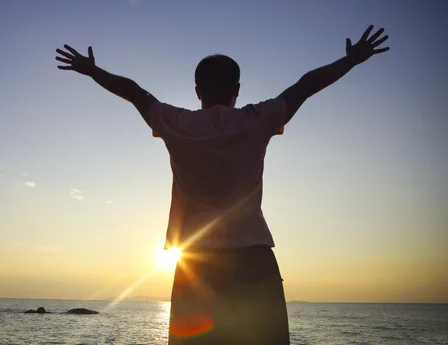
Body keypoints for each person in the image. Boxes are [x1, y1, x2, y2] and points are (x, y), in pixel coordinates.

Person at [55, 25, 389, 344]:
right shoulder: (257, 120)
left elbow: (135, 92)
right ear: (237, 90)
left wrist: (93, 71)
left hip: (196, 263)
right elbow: (304, 86)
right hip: (254, 259)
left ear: (197, 91)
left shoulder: (177, 123)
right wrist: (351, 59)